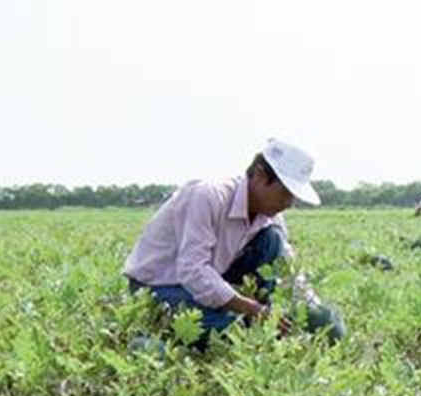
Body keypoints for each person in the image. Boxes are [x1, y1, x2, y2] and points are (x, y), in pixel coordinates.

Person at [123, 138, 343, 345]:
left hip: (211, 278)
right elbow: (192, 270)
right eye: (285, 193)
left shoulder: (270, 215)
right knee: (223, 331)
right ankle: (160, 329)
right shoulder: (207, 196)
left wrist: (314, 311)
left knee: (272, 240)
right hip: (161, 284)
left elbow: (289, 271)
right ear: (259, 175)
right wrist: (252, 309)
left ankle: (258, 322)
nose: (289, 203)